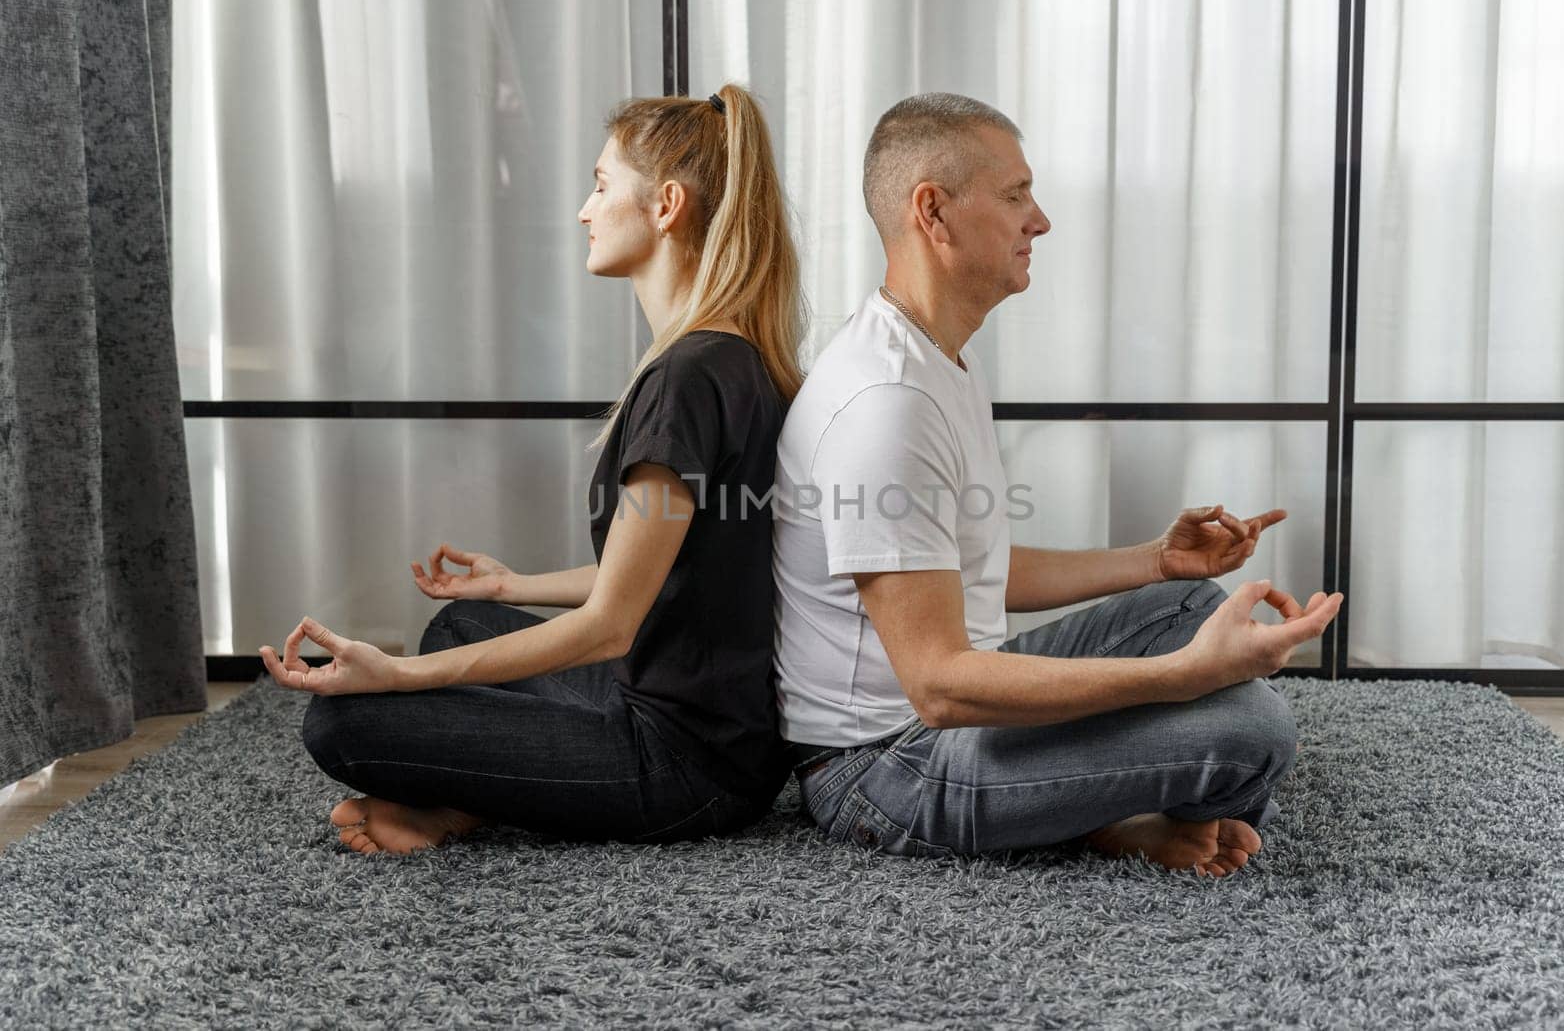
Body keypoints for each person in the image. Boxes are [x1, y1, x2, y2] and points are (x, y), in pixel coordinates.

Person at [770, 92, 1343, 878]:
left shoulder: (937, 358)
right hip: (880, 768)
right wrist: (1184, 677)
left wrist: (1156, 560)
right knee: (1253, 734)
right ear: (933, 214)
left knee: (1186, 608)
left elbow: (976, 565)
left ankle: (1101, 806)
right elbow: (938, 685)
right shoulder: (886, 405)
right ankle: (1108, 817)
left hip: (946, 710)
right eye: (1015, 196)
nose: (1039, 220)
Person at [259, 83, 806, 855]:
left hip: (685, 766)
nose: (585, 210)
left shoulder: (686, 380)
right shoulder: (733, 358)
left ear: (667, 206)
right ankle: (465, 795)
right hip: (727, 738)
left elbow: (612, 623)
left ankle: (462, 802)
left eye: (601, 184)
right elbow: (663, 577)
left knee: (343, 721)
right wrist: (512, 587)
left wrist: (397, 676)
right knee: (462, 622)